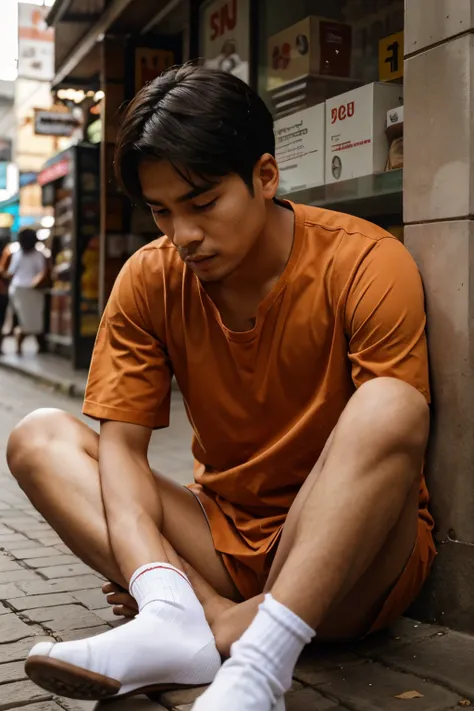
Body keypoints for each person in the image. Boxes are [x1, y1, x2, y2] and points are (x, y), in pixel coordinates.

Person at [6, 64, 436, 710]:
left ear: (265, 176)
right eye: (161, 212)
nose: (183, 235)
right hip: (221, 544)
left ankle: (258, 665)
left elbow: (398, 440)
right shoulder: (149, 279)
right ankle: (183, 620)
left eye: (202, 203)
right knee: (39, 436)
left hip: (356, 563)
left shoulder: (367, 262)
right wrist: (158, 581)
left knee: (391, 401)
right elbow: (121, 452)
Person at [7, 228, 47, 355]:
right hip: (21, 290)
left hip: (30, 291)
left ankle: (33, 346)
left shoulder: (38, 254)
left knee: (32, 322)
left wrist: (35, 283)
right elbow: (11, 273)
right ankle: (20, 347)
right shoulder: (17, 253)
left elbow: (42, 273)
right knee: (27, 321)